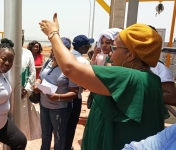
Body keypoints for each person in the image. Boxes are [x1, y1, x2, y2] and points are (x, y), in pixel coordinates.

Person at [39, 13, 168, 150]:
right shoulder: (150, 79)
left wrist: (53, 34)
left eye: (114, 48)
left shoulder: (128, 76)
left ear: (130, 55)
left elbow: (70, 68)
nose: (110, 53)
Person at [34, 37, 78, 150]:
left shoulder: (70, 67)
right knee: (45, 134)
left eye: (57, 50)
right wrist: (37, 84)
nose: (53, 52)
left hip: (60, 108)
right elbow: (40, 77)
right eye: (53, 49)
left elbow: (74, 93)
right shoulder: (48, 61)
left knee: (59, 137)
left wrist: (57, 97)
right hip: (44, 105)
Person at [0, 38, 27, 150]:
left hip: (2, 125)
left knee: (20, 141)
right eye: (4, 59)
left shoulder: (0, 72)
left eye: (11, 60)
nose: (7, 63)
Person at [64, 35, 92, 150]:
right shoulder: (83, 62)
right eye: (88, 46)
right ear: (83, 47)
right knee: (70, 126)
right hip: (75, 98)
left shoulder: (66, 57)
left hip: (61, 97)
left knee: (61, 126)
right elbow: (86, 84)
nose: (89, 47)